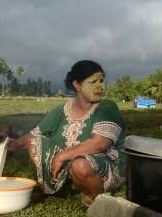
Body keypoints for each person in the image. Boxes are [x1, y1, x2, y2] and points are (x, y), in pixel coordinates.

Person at [8, 60, 126, 205]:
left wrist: (61, 156)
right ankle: (58, 189)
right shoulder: (62, 110)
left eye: (101, 81)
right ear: (77, 85)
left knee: (80, 165)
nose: (99, 86)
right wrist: (12, 145)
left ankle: (98, 199)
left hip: (105, 166)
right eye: (93, 81)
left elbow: (100, 143)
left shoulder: (107, 107)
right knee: (35, 144)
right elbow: (33, 135)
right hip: (70, 164)